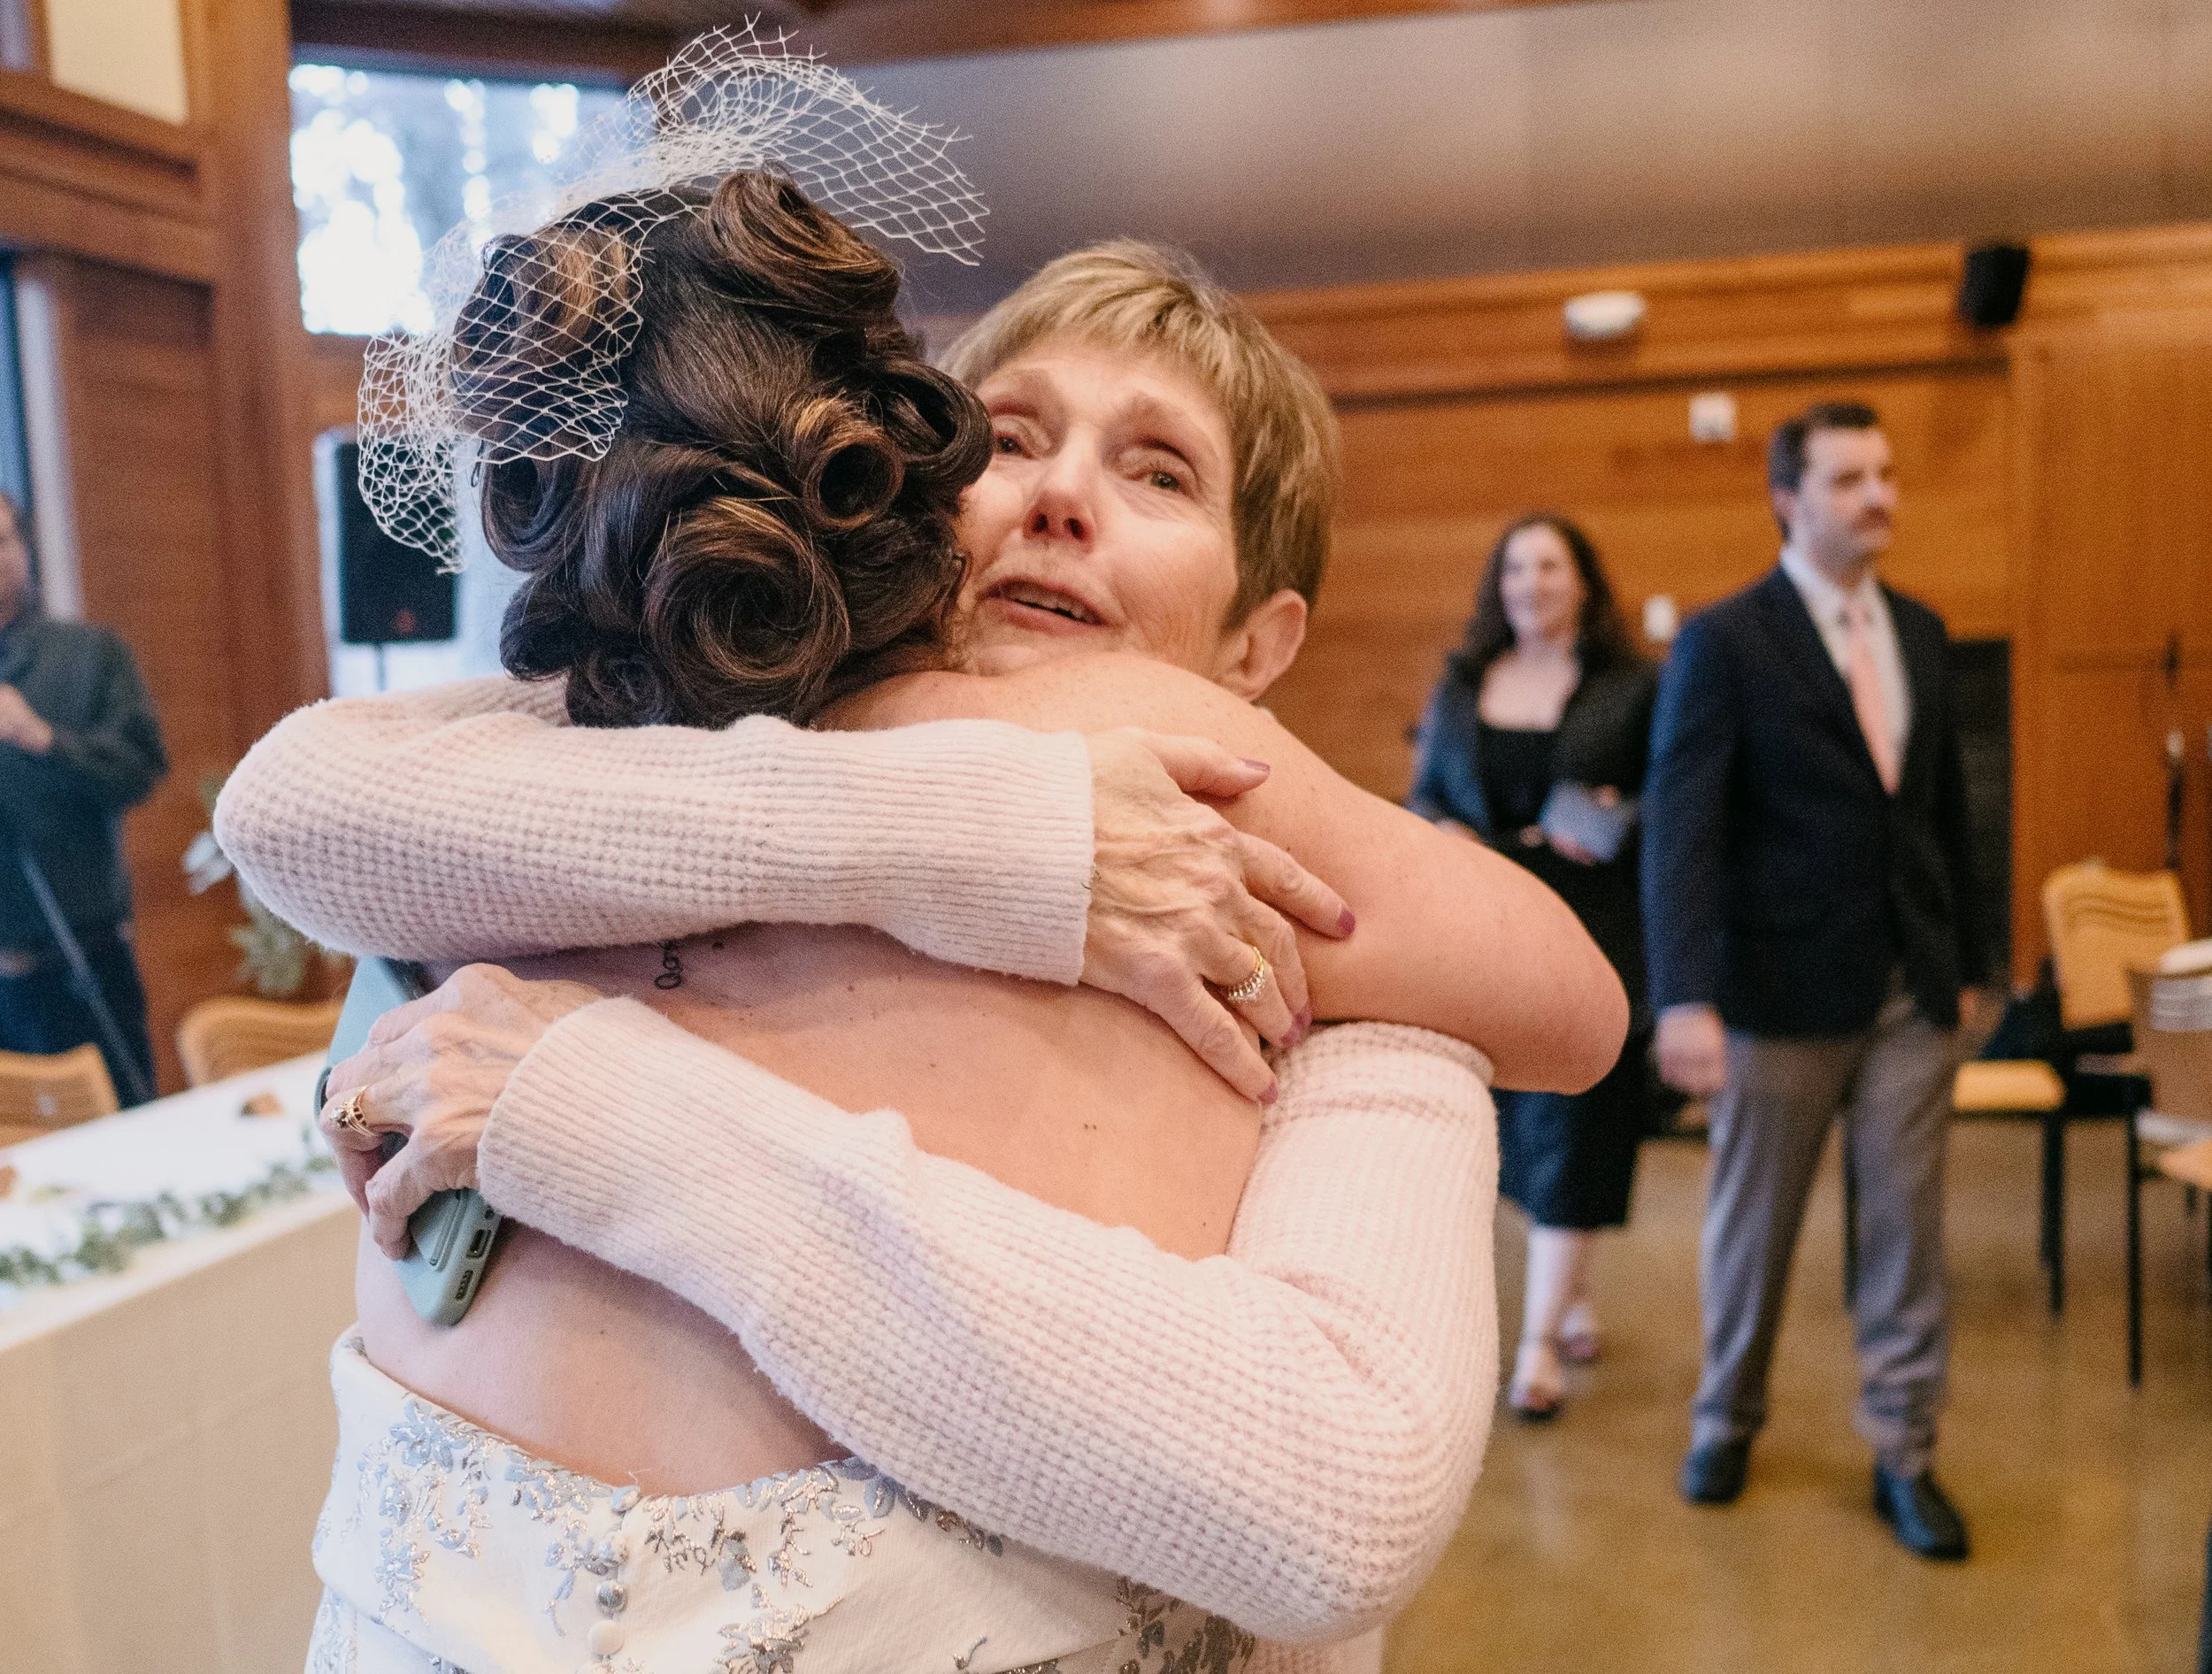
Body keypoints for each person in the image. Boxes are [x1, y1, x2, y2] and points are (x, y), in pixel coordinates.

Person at [220, 129, 1623, 1674]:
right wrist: (960, 825)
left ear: (1260, 642)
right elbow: (296, 803)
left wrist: (599, 1105)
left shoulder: (1281, 898)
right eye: (1007, 439)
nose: (1061, 497)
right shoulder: (674, 735)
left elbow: (1345, 1486)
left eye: (1159, 470)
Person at [1642, 400, 1984, 1560]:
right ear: (1789, 499)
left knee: (1906, 1233)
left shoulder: (1927, 632)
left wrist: (1971, 962)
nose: (1879, 495)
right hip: (1774, 990)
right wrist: (1684, 995)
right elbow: (1681, 826)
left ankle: (1906, 1452)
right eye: (1850, 479)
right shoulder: (1727, 640)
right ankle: (1726, 1421)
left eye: (1886, 474)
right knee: (1754, 1227)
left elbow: (1942, 815)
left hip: (1908, 992)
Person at [1409, 514, 1655, 1421]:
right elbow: (1427, 786)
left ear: (1582, 581)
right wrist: (1440, 824)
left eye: (1550, 566)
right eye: (1515, 567)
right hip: (1483, 930)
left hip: (1592, 931)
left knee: (1575, 1132)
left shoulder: (1632, 684)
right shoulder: (1465, 680)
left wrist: (1608, 813)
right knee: (1508, 1133)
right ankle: (1571, 1290)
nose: (1531, 582)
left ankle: (1538, 1344)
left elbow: (1664, 798)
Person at [0, 488, 165, 1103]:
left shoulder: (90, 656)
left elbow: (141, 768)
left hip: (83, 965)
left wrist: (41, 737)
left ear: (22, 546)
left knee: (124, 1139)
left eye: (2, 539)